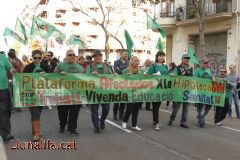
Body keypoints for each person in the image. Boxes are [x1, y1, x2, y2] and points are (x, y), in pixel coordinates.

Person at [23, 49, 49, 142]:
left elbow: (52, 77)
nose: (37, 59)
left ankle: (34, 130)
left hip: (42, 94)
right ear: (32, 58)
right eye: (35, 58)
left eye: (39, 58)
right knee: (35, 113)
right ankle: (37, 134)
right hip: (31, 94)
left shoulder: (45, 66)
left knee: (38, 113)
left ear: (41, 58)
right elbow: (22, 80)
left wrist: (45, 75)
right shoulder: (28, 67)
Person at [54, 50, 83, 136]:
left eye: (73, 55)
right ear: (66, 56)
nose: (72, 56)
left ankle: (72, 129)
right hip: (62, 94)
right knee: (62, 113)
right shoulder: (60, 65)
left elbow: (84, 80)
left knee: (74, 113)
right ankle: (62, 125)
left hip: (75, 94)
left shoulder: (79, 67)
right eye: (69, 55)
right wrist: (58, 74)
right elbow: (52, 77)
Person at [86, 50, 112, 133]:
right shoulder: (90, 66)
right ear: (93, 58)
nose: (97, 57)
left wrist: (114, 76)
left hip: (105, 91)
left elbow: (112, 76)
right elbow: (85, 77)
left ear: (101, 57)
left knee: (106, 108)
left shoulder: (107, 66)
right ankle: (96, 126)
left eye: (99, 56)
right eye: (95, 56)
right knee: (94, 109)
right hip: (94, 91)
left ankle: (102, 120)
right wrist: (91, 74)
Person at [168, 54, 193, 129]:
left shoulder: (190, 69)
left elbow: (193, 79)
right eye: (185, 58)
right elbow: (175, 76)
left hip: (187, 91)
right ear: (182, 59)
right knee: (176, 108)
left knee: (186, 108)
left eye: (188, 58)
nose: (187, 59)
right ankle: (171, 119)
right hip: (179, 91)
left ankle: (183, 122)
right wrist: (173, 76)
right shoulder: (177, 68)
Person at [147, 51, 169, 131]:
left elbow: (167, 76)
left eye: (163, 56)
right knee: (155, 106)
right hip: (155, 89)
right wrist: (153, 75)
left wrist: (171, 75)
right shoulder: (153, 66)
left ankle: (154, 120)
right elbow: (148, 76)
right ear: (157, 57)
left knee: (157, 106)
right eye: (160, 56)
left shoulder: (165, 66)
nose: (162, 57)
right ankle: (156, 123)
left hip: (162, 89)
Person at [122, 56, 144, 131]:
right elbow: (121, 81)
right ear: (131, 61)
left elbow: (145, 80)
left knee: (136, 109)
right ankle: (124, 121)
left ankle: (134, 124)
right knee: (129, 108)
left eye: (138, 61)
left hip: (138, 92)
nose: (137, 62)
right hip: (129, 92)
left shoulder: (141, 71)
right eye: (135, 61)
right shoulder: (125, 71)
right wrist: (126, 77)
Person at [194, 59, 215, 128]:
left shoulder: (208, 70)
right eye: (204, 63)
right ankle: (201, 123)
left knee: (209, 106)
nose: (205, 64)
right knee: (201, 108)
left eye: (206, 63)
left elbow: (212, 77)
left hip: (208, 93)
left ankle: (200, 116)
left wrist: (213, 78)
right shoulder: (197, 71)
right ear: (200, 63)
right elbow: (194, 80)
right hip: (199, 93)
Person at [0, 53, 15, 142]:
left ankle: (5, 134)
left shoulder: (2, 57)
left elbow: (10, 68)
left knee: (4, 111)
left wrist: (12, 70)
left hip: (3, 89)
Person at [113, 50, 129, 120]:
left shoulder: (128, 62)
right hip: (118, 82)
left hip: (125, 83)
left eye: (126, 54)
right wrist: (124, 72)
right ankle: (115, 113)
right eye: (125, 54)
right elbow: (116, 71)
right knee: (117, 100)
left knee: (123, 100)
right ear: (121, 54)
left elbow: (129, 71)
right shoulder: (116, 62)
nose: (126, 55)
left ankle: (121, 114)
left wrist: (122, 71)